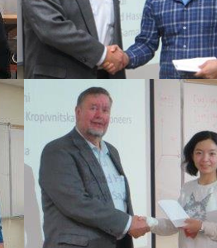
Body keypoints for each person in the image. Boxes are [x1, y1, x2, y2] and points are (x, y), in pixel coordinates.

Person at [39, 87, 149, 248]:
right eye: (93, 108)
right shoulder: (57, 150)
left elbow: (119, 201)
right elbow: (75, 202)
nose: (99, 115)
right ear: (77, 112)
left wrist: (132, 222)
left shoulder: (112, 151)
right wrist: (127, 223)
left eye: (105, 110)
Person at [145, 131, 217, 248]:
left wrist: (202, 226)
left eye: (212, 153)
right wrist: (148, 222)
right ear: (192, 155)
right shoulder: (187, 188)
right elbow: (174, 225)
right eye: (199, 153)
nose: (205, 159)